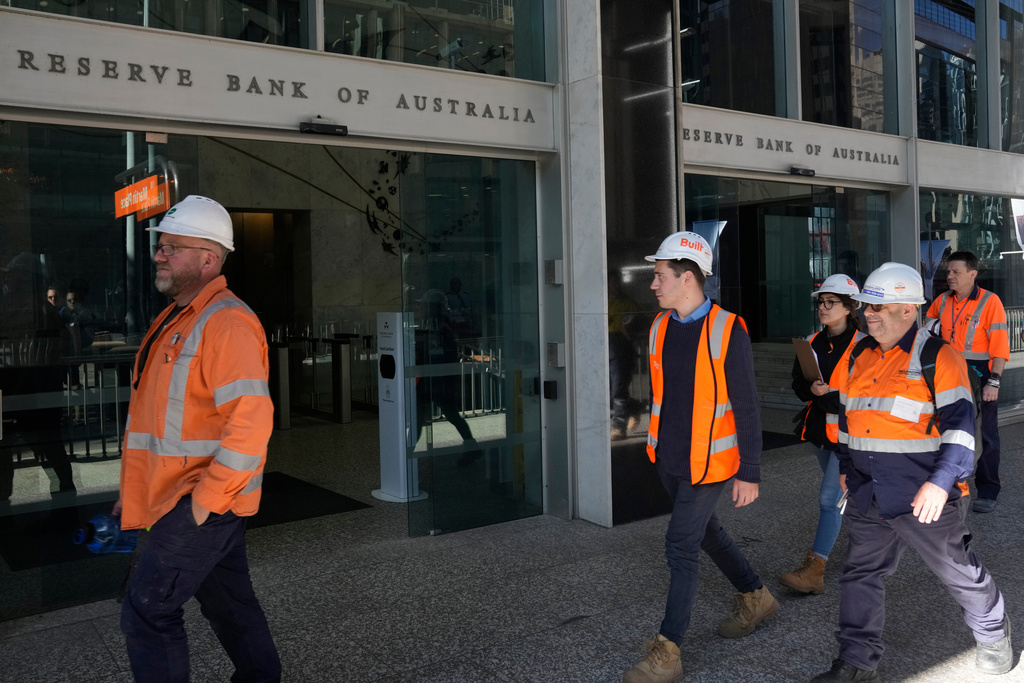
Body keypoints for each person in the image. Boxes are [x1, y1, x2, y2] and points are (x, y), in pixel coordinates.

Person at [811, 262, 1011, 682]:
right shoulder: (859, 354)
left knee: (956, 569)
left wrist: (939, 484)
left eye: (879, 307)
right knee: (861, 574)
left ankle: (993, 634)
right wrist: (846, 468)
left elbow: (961, 427)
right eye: (868, 306)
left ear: (909, 310)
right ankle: (857, 662)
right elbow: (848, 418)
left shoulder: (939, 356)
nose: (869, 313)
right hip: (868, 491)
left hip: (921, 493)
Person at [117, 195, 281, 683]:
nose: (159, 255)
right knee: (230, 605)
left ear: (209, 259)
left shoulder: (226, 322)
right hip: (178, 499)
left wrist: (205, 502)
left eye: (172, 247)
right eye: (161, 246)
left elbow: (252, 422)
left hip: (201, 502)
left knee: (147, 611)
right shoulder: (178, 317)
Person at [622, 232, 775, 683]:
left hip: (711, 464)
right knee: (706, 534)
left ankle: (668, 651)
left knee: (680, 544)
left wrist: (749, 471)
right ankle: (756, 596)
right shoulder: (660, 326)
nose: (653, 284)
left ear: (687, 278)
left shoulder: (729, 328)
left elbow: (746, 406)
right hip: (669, 458)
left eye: (660, 276)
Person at [782, 274, 864, 595]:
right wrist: (811, 389)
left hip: (850, 436)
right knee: (847, 493)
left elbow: (863, 398)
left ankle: (815, 568)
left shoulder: (864, 347)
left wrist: (824, 395)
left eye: (831, 302)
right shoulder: (812, 342)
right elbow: (798, 384)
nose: (823, 307)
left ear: (848, 308)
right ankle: (871, 535)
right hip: (819, 433)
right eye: (821, 302)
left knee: (829, 499)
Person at [924, 251, 1009, 514]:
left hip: (980, 374)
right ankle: (949, 484)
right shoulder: (941, 301)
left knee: (985, 433)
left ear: (973, 274)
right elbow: (927, 334)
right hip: (949, 374)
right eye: (948, 271)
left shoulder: (989, 302)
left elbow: (1000, 346)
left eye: (955, 272)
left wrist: (993, 381)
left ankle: (988, 490)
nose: (949, 276)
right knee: (947, 429)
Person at [608, 269, 641, 440]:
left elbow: (637, 324)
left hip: (622, 350)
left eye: (615, 282)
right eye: (609, 282)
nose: (612, 286)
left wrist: (630, 330)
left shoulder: (627, 304)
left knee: (618, 389)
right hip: (603, 349)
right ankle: (635, 407)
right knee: (609, 390)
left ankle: (619, 427)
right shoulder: (598, 302)